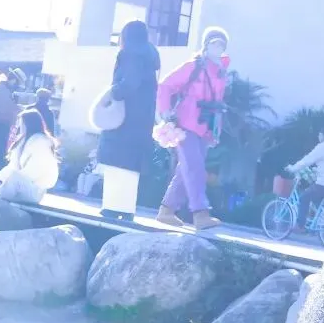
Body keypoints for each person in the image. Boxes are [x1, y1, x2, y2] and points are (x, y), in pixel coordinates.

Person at [156, 26, 230, 231]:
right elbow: (165, 85)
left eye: (221, 45)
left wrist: (215, 131)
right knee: (194, 167)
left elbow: (217, 103)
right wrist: (165, 111)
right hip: (186, 123)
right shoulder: (193, 66)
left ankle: (166, 210)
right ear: (206, 45)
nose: (218, 48)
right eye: (214, 43)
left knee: (186, 169)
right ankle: (200, 213)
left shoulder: (220, 72)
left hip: (205, 127)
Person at [98, 20, 160, 222]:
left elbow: (129, 83)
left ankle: (111, 206)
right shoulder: (150, 56)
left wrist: (114, 92)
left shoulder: (129, 54)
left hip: (124, 117)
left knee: (116, 162)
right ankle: (126, 209)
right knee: (132, 166)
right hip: (142, 120)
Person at [0, 109, 59, 204]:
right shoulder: (22, 141)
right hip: (17, 182)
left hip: (33, 189)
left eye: (22, 124)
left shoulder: (42, 142)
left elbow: (35, 170)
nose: (20, 127)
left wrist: (8, 181)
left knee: (14, 178)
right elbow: (12, 166)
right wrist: (0, 179)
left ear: (29, 124)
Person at [285, 128, 324, 232]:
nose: (318, 136)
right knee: (318, 201)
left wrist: (293, 168)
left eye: (319, 134)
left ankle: (300, 226)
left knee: (304, 198)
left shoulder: (323, 147)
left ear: (323, 135)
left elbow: (307, 160)